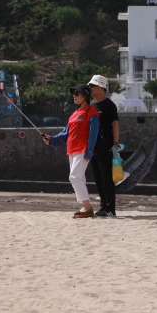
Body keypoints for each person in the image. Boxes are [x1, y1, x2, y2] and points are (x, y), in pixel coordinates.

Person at [43, 84, 100, 219]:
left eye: (77, 94)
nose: (74, 96)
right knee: (79, 178)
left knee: (74, 177)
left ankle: (87, 206)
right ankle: (85, 207)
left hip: (82, 149)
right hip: (72, 150)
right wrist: (51, 140)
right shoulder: (74, 114)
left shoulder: (91, 112)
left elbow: (94, 134)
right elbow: (65, 133)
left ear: (85, 96)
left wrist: (89, 151)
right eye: (73, 94)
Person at [87, 75, 120, 217]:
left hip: (106, 147)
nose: (91, 88)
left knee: (107, 179)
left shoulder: (109, 105)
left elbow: (115, 124)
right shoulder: (91, 105)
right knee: (98, 178)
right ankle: (102, 206)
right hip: (93, 148)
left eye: (93, 86)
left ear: (101, 87)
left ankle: (110, 208)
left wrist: (115, 144)